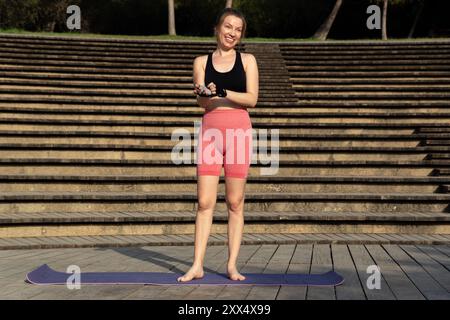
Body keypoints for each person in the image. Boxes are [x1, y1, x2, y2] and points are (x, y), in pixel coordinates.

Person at [177, 8, 259, 282]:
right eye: (228, 26)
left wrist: (223, 91)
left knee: (235, 202)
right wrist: (204, 93)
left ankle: (232, 265)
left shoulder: (247, 60)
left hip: (238, 131)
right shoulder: (201, 61)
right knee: (204, 201)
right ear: (218, 28)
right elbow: (202, 102)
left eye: (238, 29)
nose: (232, 33)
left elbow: (252, 99)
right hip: (211, 130)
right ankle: (197, 264)